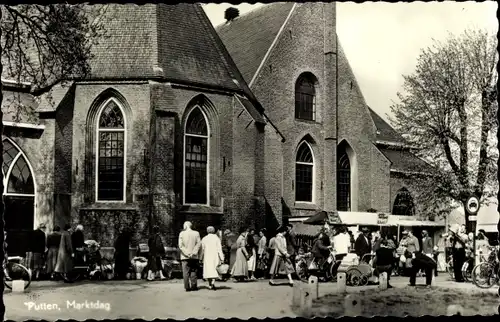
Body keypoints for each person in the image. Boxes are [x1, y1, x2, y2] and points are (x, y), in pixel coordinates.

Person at [178, 221, 201, 291]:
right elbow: (198, 244)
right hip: (194, 257)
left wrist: (187, 253)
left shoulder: (182, 233)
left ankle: (187, 287)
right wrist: (193, 253)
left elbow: (180, 245)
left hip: (185, 256)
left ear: (185, 226)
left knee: (185, 272)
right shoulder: (196, 233)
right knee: (193, 271)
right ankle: (194, 286)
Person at [200, 226, 224, 290]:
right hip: (215, 256)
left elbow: (202, 250)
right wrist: (222, 258)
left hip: (207, 256)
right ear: (213, 231)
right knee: (214, 269)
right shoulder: (217, 238)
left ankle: (210, 284)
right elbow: (219, 249)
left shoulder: (204, 238)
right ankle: (213, 282)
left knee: (208, 270)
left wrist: (200, 258)